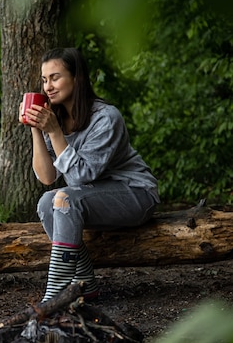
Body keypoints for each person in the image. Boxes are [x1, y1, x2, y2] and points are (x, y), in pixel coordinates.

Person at [19, 47, 159, 303]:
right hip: (93, 196)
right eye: (44, 79)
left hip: (135, 193)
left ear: (77, 78)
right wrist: (37, 130)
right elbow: (47, 177)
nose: (48, 86)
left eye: (55, 77)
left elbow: (81, 177)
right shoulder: (57, 119)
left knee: (64, 199)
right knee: (46, 202)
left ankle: (54, 296)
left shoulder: (105, 118)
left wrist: (55, 133)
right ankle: (85, 283)